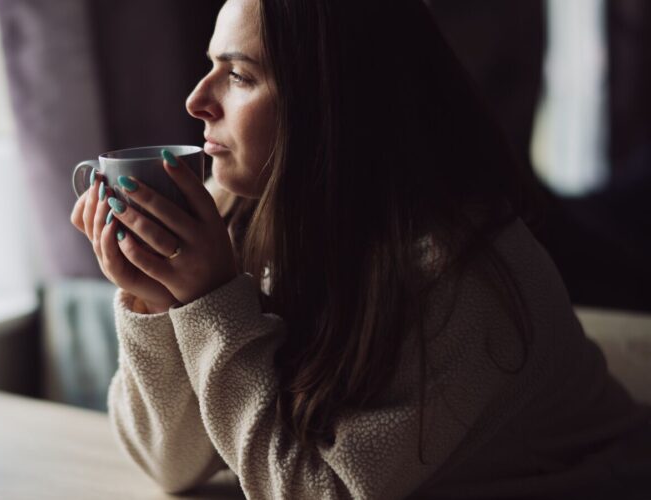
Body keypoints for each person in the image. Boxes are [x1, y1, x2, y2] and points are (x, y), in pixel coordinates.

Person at [70, 0, 651, 498]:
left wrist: (211, 300)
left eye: (239, 76)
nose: (197, 100)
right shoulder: (240, 214)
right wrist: (160, 303)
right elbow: (170, 464)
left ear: (335, 101)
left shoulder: (465, 277)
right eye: (210, 66)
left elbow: (323, 491)